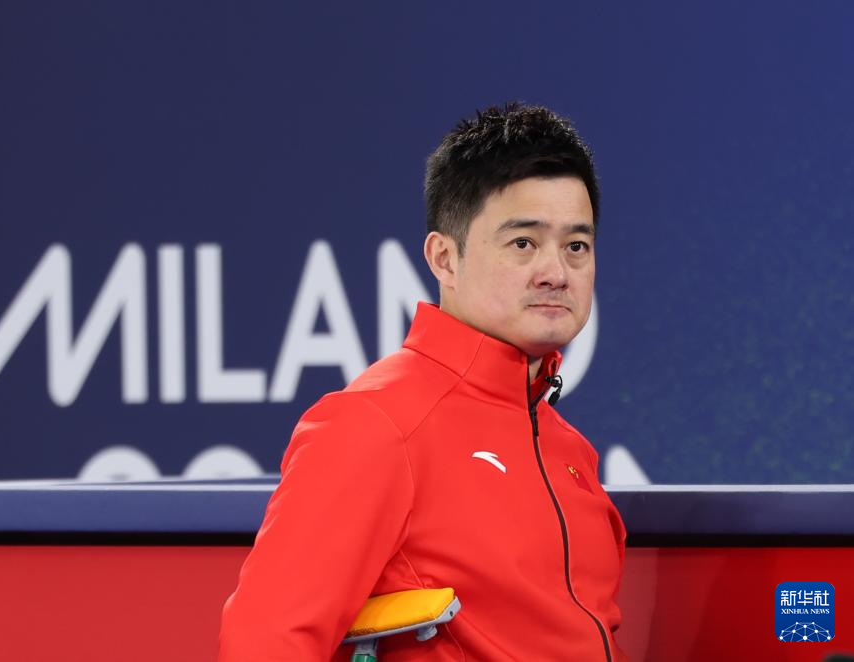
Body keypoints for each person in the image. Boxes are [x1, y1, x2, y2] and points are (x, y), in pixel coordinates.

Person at [218, 102, 627, 661]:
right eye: (523, 243)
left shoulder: (568, 449)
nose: (556, 272)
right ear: (444, 258)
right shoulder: (376, 423)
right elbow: (266, 644)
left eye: (576, 246)